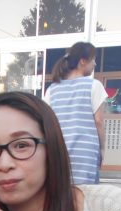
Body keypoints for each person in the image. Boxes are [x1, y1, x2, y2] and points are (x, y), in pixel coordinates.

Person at [45, 42, 107, 185]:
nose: (95, 63)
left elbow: (46, 123)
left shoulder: (52, 90)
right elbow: (98, 122)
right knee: (85, 194)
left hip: (58, 152)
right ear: (83, 61)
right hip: (85, 152)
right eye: (93, 59)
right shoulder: (94, 85)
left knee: (61, 192)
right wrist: (102, 148)